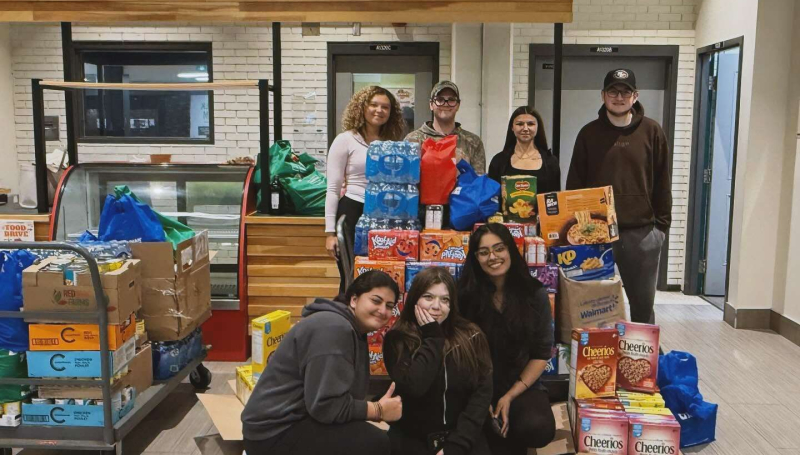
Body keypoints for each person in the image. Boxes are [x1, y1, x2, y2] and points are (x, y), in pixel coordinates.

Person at [241, 271, 403, 455]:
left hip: (293, 421)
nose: (383, 311)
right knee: (375, 443)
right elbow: (325, 406)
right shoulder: (334, 328)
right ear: (354, 300)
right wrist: (377, 410)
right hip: (272, 434)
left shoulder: (351, 328)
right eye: (376, 301)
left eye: (390, 306)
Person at [566, 68, 672, 324]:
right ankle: (598, 357)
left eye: (625, 92)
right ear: (603, 95)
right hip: (595, 234)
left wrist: (661, 228)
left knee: (642, 307)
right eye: (613, 91)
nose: (619, 97)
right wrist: (574, 228)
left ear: (635, 96)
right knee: (592, 305)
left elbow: (662, 182)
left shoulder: (652, 131)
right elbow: (575, 185)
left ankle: (642, 359)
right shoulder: (588, 134)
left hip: (642, 233)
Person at [458, 223, 556, 455]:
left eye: (499, 248)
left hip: (519, 383)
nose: (493, 257)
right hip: (474, 385)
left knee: (537, 427)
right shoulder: (464, 296)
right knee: (483, 434)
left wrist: (509, 396)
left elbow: (541, 354)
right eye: (484, 252)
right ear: (476, 258)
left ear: (511, 250)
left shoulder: (535, 293)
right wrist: (480, 397)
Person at [383, 267, 493, 455]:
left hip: (461, 438)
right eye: (428, 297)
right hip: (413, 438)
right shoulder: (397, 339)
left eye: (445, 300)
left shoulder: (472, 335)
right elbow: (414, 387)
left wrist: (455, 446)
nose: (436, 306)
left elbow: (481, 395)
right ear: (414, 299)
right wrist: (433, 337)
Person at [325, 86, 406, 293]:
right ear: (362, 107)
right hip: (352, 209)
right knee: (350, 275)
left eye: (385, 107)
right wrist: (329, 233)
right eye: (374, 105)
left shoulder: (391, 144)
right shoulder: (345, 140)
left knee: (379, 273)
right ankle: (346, 321)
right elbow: (333, 188)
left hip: (383, 213)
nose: (379, 110)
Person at [406, 81, 487, 174]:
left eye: (451, 99)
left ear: (458, 105)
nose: (445, 103)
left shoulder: (473, 142)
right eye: (440, 99)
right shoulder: (412, 140)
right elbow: (408, 180)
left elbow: (478, 181)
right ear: (431, 104)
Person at [488, 106, 561, 195]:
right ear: (512, 127)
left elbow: (555, 199)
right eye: (520, 124)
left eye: (530, 124)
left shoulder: (551, 162)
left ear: (538, 127)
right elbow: (491, 197)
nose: (525, 128)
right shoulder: (498, 161)